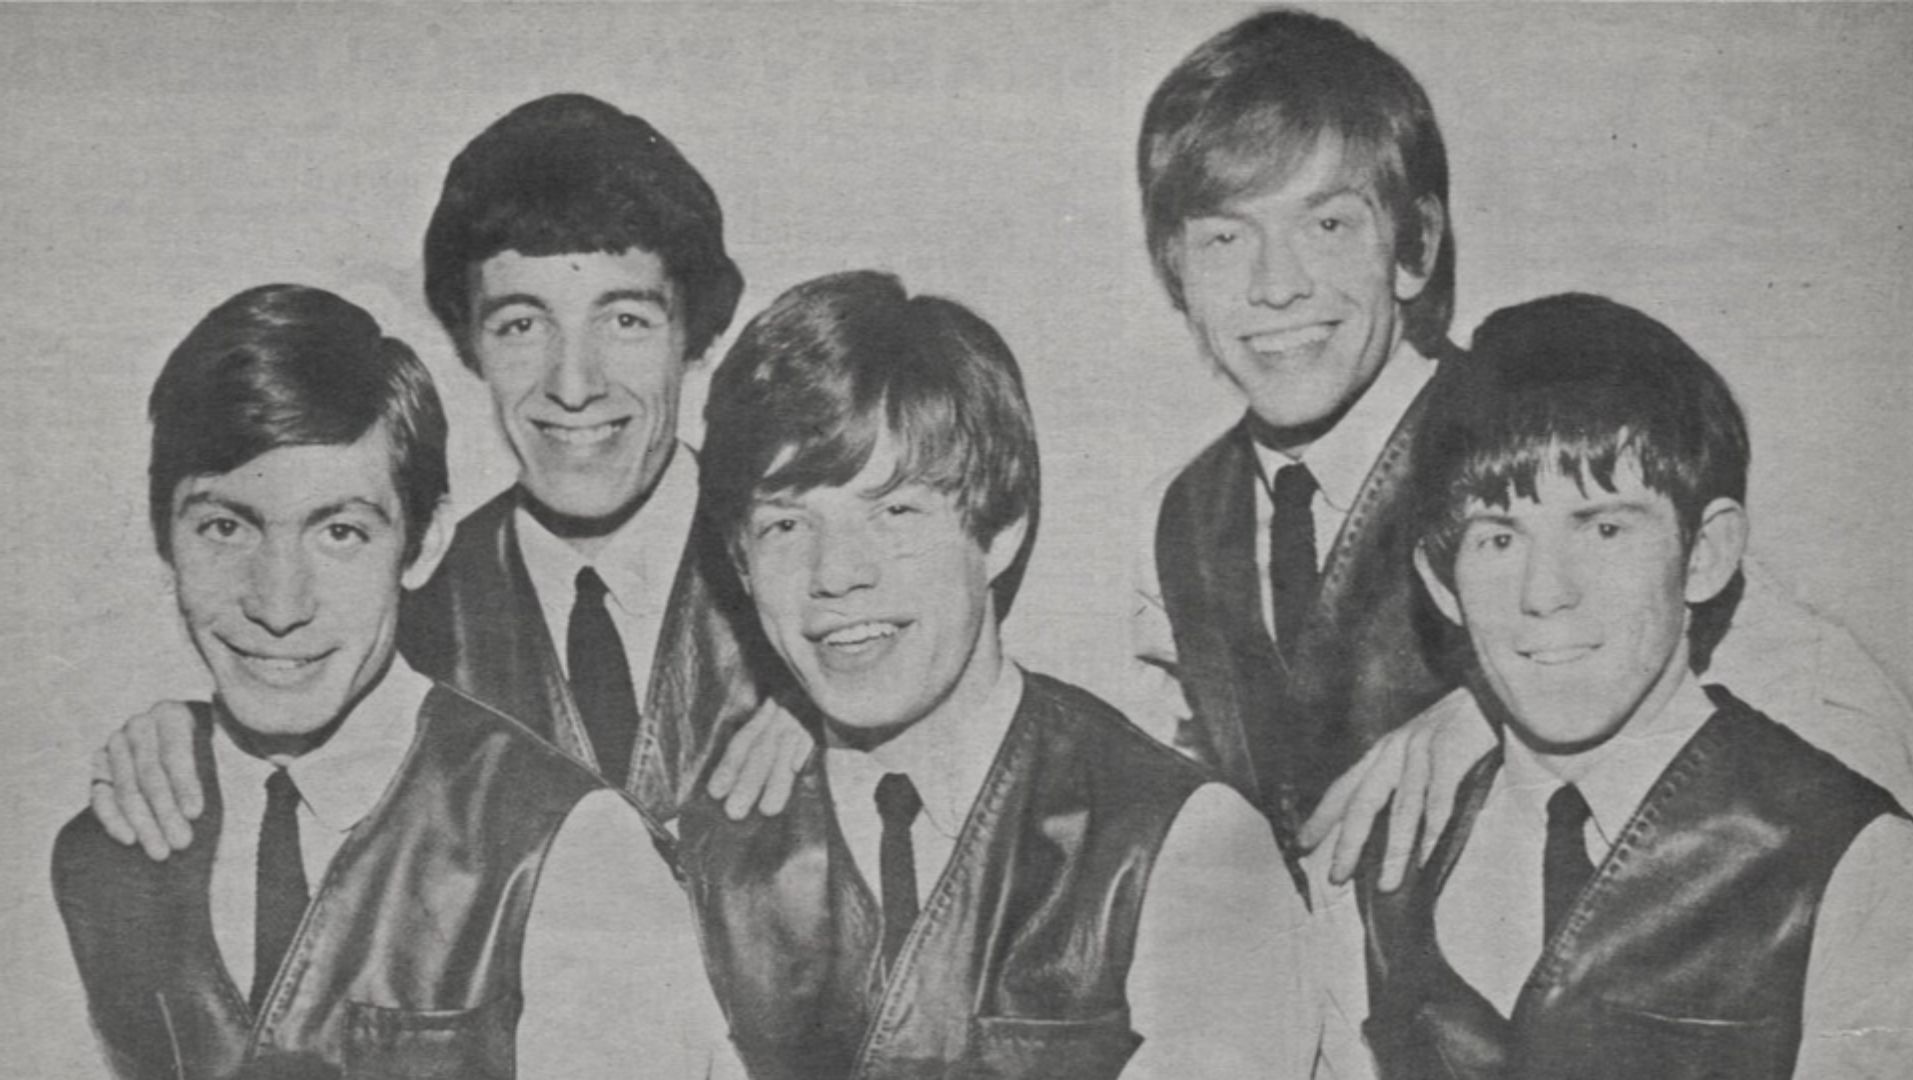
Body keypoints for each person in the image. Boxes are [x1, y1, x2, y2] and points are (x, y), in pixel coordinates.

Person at [1127, 8, 1913, 886]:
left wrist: (1514, 712)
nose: (1276, 286)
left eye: (1328, 227)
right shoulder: (1182, 516)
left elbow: (1835, 725)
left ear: (1415, 247)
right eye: (1225, 237)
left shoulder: (1541, 433)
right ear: (1175, 272)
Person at [90, 93, 801, 858]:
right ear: (469, 342)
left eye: (625, 320)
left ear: (695, 335)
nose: (573, 385)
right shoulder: (400, 607)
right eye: (521, 324)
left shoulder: (826, 580)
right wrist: (198, 741)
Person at [51, 285, 733, 1078]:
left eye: (340, 532)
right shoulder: (102, 848)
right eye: (224, 528)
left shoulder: (571, 847)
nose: (278, 604)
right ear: (162, 537)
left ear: (425, 541)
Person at [677, 271, 1312, 1079]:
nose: (835, 574)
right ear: (740, 563)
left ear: (1000, 529)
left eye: (895, 510)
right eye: (785, 525)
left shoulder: (1185, 845)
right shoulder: (697, 865)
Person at [1313, 294, 1913, 1079]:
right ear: (1441, 581)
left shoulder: (1854, 862)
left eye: (1604, 529)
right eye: (1498, 539)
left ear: (1705, 553)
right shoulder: (1378, 866)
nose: (1546, 592)